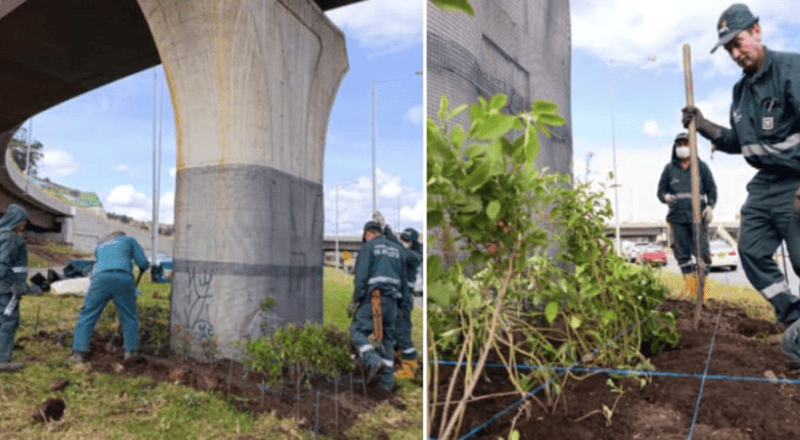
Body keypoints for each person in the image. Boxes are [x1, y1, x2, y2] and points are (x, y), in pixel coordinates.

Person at [682, 3, 800, 365]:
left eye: (740, 42)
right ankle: (792, 313)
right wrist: (703, 125)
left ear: (758, 32)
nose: (736, 53)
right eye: (729, 48)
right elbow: (741, 141)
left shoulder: (790, 69)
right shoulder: (740, 92)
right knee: (749, 250)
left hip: (794, 177)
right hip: (765, 183)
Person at [69, 231, 149, 364]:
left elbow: (101, 263)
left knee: (87, 314)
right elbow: (143, 262)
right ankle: (130, 352)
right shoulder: (129, 239)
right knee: (129, 316)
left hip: (100, 279)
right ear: (122, 235)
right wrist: (143, 267)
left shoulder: (100, 246)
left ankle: (78, 353)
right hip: (123, 278)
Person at [349, 220, 407, 392]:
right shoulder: (397, 250)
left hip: (375, 297)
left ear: (368, 234)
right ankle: (387, 383)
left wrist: (356, 299)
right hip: (393, 302)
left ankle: (373, 361)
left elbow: (361, 277)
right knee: (387, 339)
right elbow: (404, 280)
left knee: (357, 331)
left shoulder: (369, 247)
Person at [657, 132, 717, 294]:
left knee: (703, 254)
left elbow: (712, 189)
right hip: (677, 218)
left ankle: (702, 291)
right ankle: (692, 291)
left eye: (686, 143)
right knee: (683, 255)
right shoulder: (669, 169)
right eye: (680, 144)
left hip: (698, 217)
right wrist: (665, 197)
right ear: (675, 147)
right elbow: (660, 192)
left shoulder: (701, 167)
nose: (683, 147)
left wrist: (710, 207)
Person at [372, 212, 421, 379]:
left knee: (403, 334)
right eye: (403, 239)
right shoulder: (404, 253)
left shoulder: (414, 256)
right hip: (398, 298)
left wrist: (386, 229)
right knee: (390, 333)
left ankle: (410, 370)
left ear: (413, 243)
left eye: (406, 240)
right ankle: (388, 364)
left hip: (405, 301)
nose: (404, 243)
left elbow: (399, 249)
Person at [0, 205, 38, 372]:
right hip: (6, 288)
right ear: (14, 220)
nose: (24, 224)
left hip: (6, 285)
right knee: (9, 321)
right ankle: (2, 360)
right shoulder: (11, 238)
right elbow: (3, 263)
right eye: (22, 220)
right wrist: (11, 285)